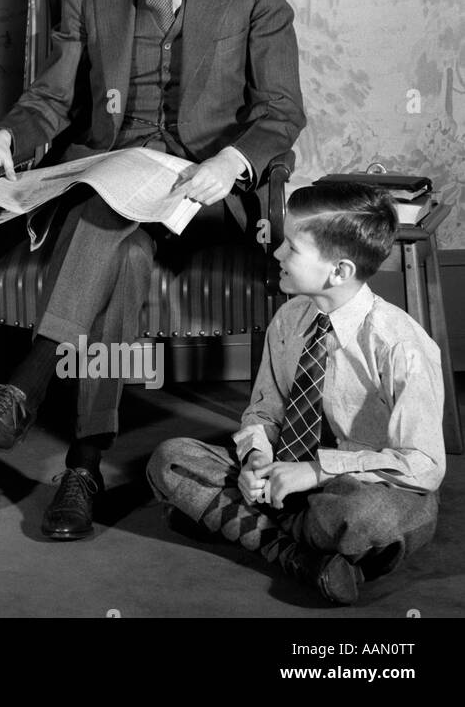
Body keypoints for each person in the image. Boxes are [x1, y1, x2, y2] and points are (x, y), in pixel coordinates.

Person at [0, 0, 306, 539]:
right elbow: (52, 102)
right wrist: (6, 136)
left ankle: (26, 385)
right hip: (117, 186)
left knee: (103, 222)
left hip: (206, 199)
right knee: (119, 243)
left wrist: (229, 164)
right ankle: (84, 465)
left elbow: (280, 114)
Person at [147, 183, 444, 604]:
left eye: (292, 247)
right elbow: (264, 413)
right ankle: (297, 554)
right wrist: (256, 460)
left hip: (357, 489)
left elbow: (425, 465)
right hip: (284, 477)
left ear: (338, 271)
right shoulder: (289, 319)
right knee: (170, 459)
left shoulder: (400, 345)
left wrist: (317, 472)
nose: (277, 254)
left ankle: (243, 525)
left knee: (365, 519)